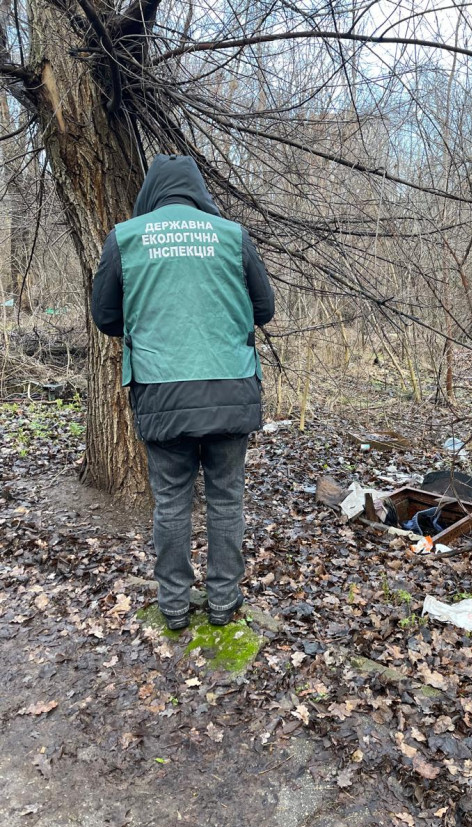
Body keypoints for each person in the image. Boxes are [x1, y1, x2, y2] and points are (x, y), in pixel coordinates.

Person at [91, 154, 275, 631]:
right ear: (198, 191)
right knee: (226, 499)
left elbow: (106, 317)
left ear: (152, 191)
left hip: (160, 391)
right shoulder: (232, 235)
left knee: (171, 502)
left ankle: (172, 607)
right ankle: (222, 603)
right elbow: (265, 308)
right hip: (230, 388)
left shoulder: (126, 238)